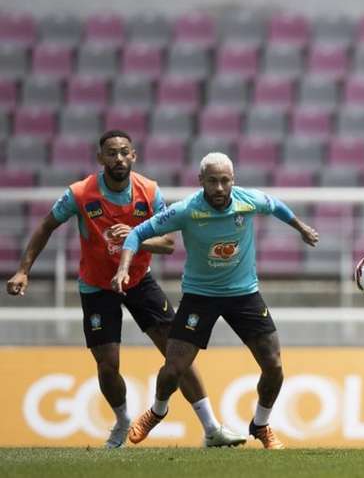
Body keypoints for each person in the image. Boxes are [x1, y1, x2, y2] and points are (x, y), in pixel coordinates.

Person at [6, 131, 245, 449]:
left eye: (124, 152)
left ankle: (212, 429)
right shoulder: (80, 194)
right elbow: (46, 226)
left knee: (178, 354)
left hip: (138, 280)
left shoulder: (149, 192)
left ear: (133, 156)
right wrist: (23, 270)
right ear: (100, 158)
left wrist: (135, 236)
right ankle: (121, 422)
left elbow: (167, 244)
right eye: (111, 153)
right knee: (107, 365)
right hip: (96, 286)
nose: (118, 158)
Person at [111, 152, 319, 450]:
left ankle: (261, 425)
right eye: (212, 181)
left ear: (233, 180)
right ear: (201, 182)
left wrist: (301, 228)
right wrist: (123, 269)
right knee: (173, 369)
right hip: (200, 296)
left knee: (274, 366)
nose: (219, 188)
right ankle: (157, 411)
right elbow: (136, 235)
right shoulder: (186, 210)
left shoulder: (248, 200)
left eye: (225, 181)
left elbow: (276, 207)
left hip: (244, 294)